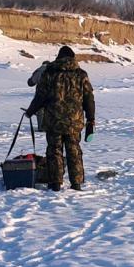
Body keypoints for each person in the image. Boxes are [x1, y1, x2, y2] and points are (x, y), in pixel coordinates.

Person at [25, 46, 95, 191]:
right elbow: (89, 99)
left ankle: (55, 183)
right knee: (74, 150)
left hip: (53, 121)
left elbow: (40, 96)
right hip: (74, 122)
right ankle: (76, 183)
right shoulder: (81, 74)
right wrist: (90, 119)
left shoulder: (49, 72)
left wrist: (31, 111)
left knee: (54, 150)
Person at [27, 60, 50, 132]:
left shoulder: (39, 70)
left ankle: (41, 127)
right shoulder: (55, 70)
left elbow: (31, 83)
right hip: (53, 95)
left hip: (41, 94)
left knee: (40, 110)